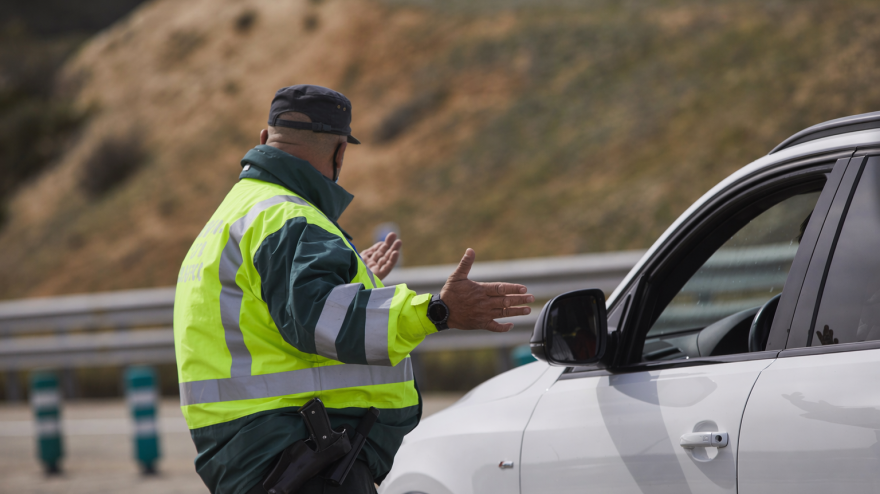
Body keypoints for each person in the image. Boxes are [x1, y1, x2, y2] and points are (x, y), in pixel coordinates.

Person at [172, 84, 535, 494]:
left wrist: (352, 276)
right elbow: (320, 320)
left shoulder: (233, 217)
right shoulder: (290, 220)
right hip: (302, 456)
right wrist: (438, 311)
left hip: (258, 455)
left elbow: (271, 314)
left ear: (264, 137)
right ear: (340, 152)